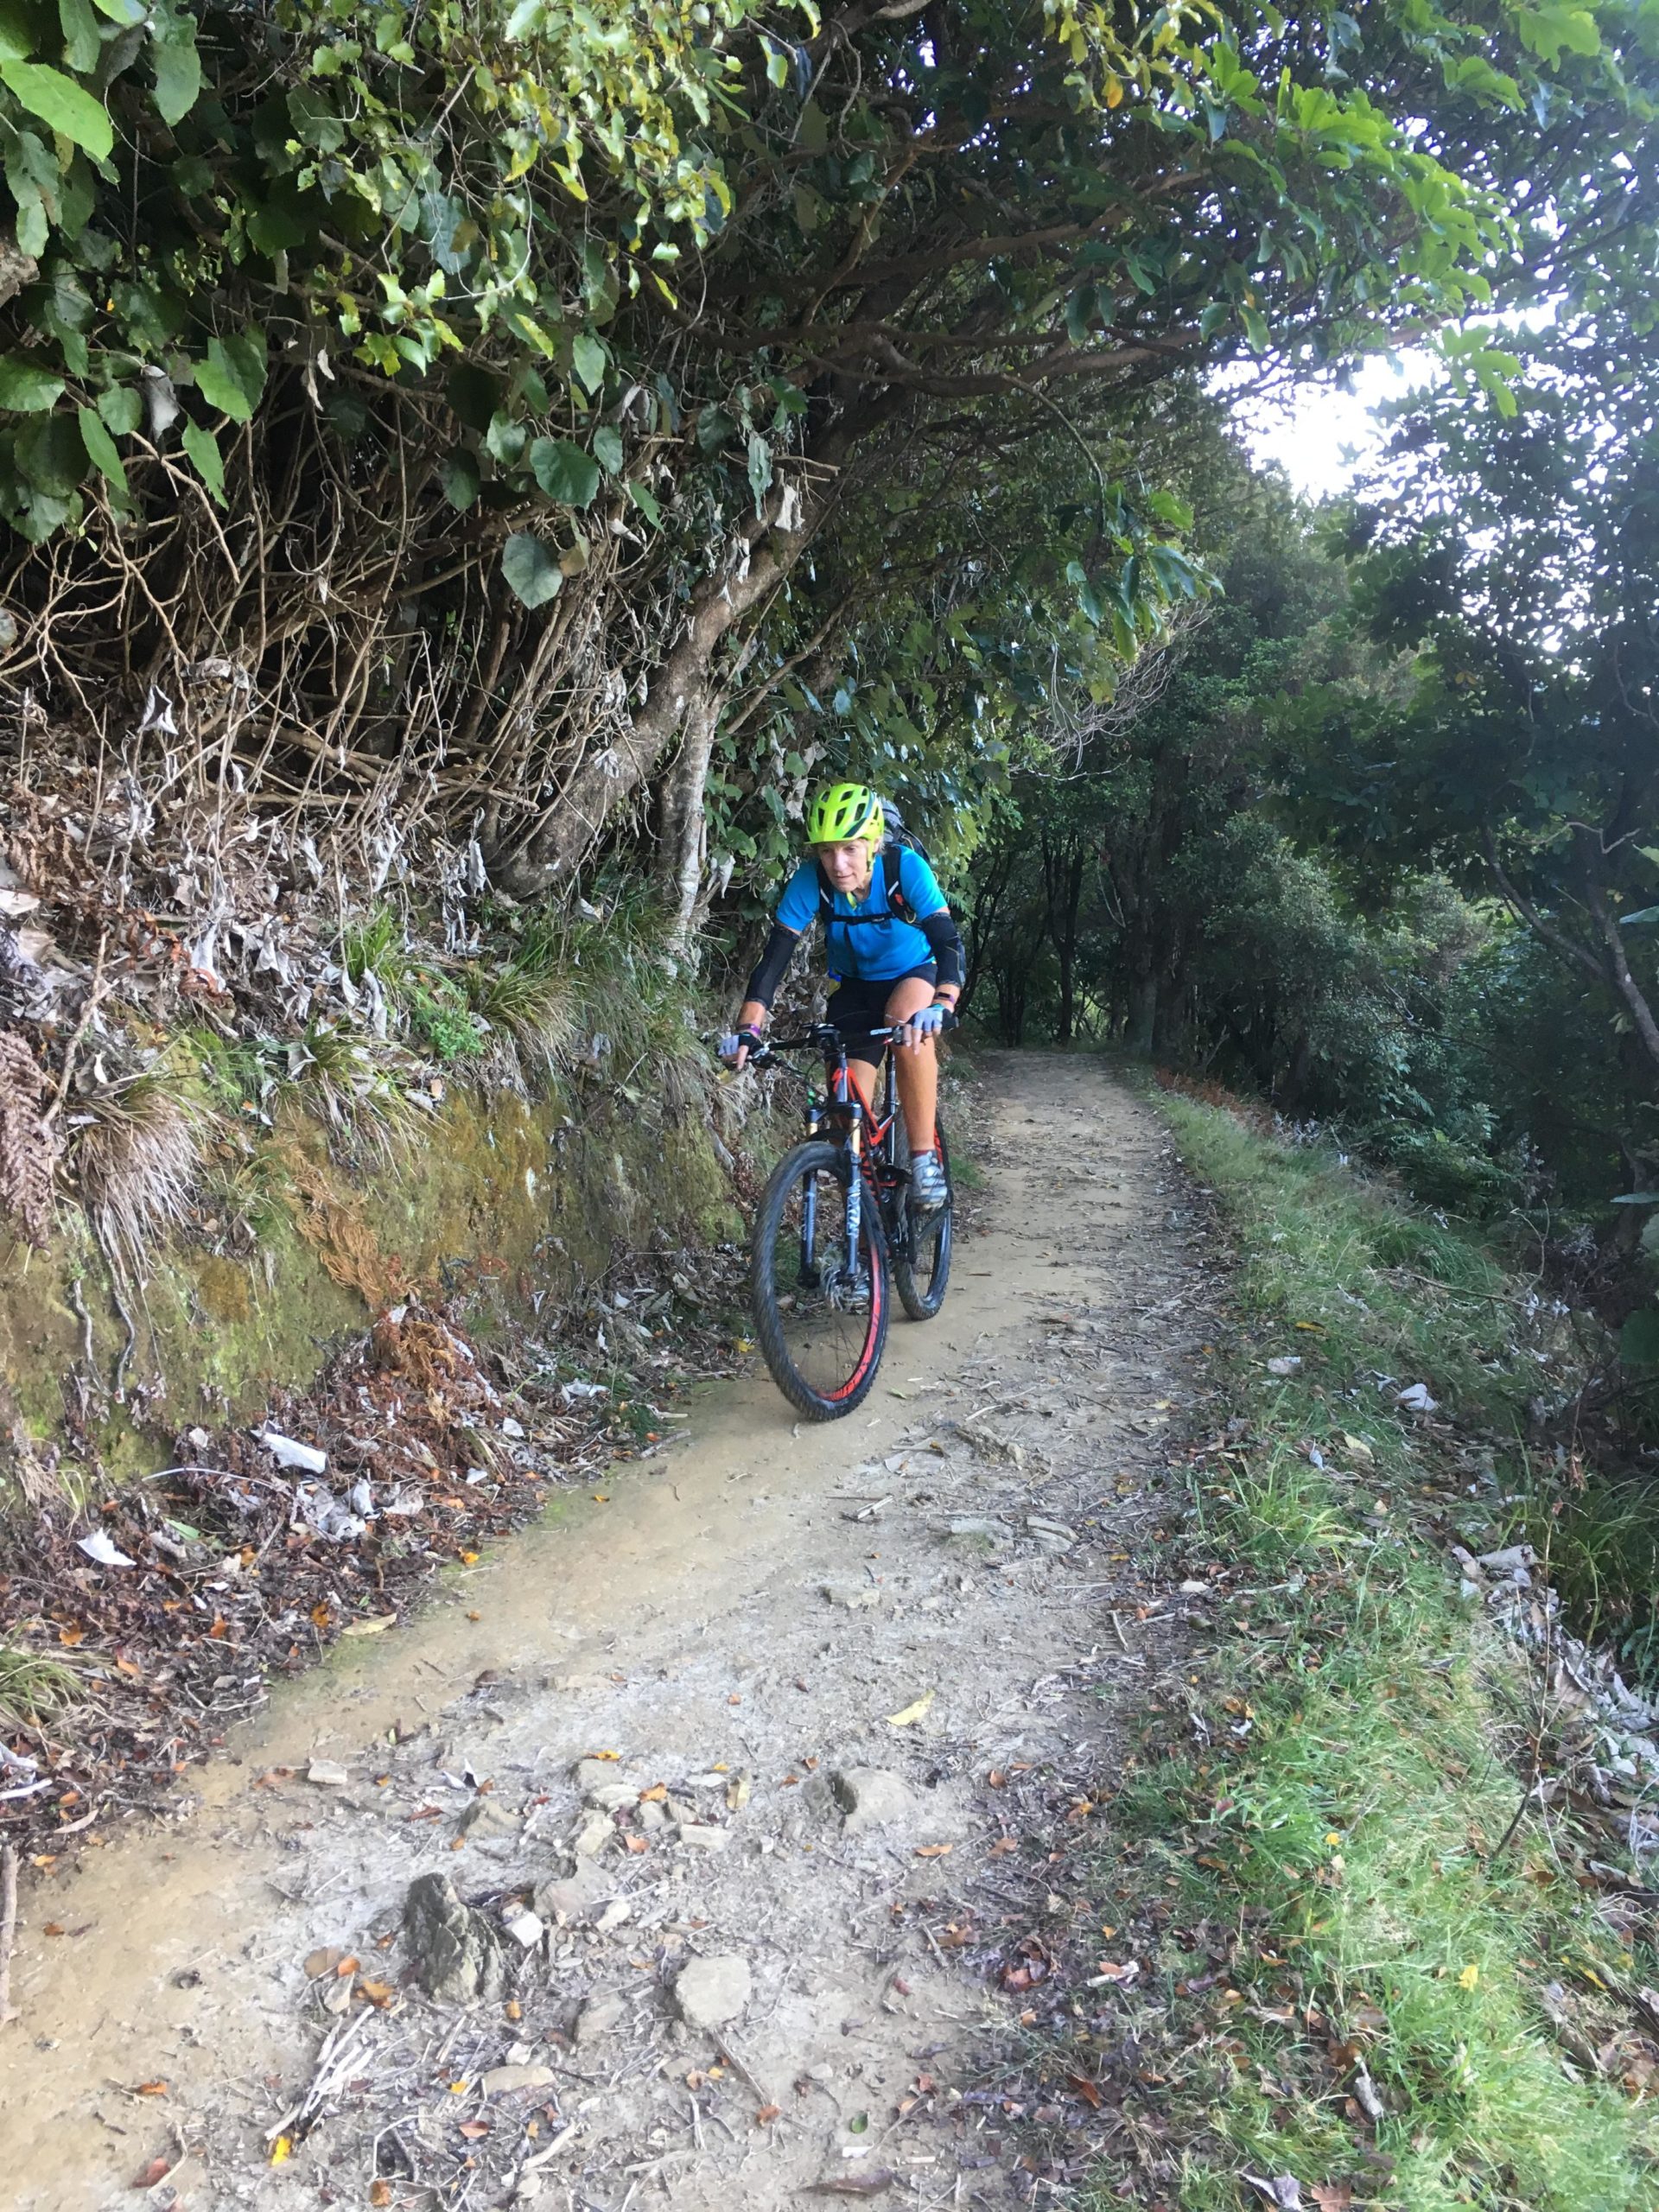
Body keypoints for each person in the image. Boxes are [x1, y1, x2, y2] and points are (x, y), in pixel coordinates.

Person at [719, 783, 963, 1208]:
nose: (838, 863)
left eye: (849, 849)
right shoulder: (810, 880)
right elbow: (774, 958)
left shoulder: (904, 868)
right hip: (854, 989)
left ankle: (924, 1158)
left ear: (872, 843)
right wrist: (748, 1029)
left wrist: (942, 1003)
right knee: (846, 1109)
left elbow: (947, 943)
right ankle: (865, 1231)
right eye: (827, 851)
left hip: (913, 973)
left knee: (906, 1021)